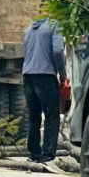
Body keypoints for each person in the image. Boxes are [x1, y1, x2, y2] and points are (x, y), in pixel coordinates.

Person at [21, 14, 66, 164]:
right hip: (45, 76)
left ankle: (33, 153)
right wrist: (63, 74)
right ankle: (47, 155)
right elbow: (58, 51)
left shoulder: (29, 30)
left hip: (28, 76)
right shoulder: (55, 25)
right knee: (52, 115)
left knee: (34, 117)